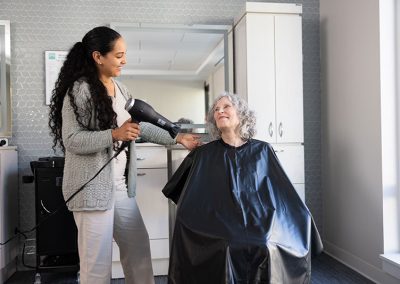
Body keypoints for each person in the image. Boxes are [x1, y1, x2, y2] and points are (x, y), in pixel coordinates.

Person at [48, 26, 200, 284]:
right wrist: (114, 135)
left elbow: (141, 126)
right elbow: (72, 140)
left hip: (118, 187)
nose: (124, 61)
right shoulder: (79, 90)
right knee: (96, 267)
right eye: (118, 56)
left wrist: (177, 137)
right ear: (98, 57)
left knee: (139, 251)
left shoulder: (121, 90)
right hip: (91, 191)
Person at [162, 92, 323, 284]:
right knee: (226, 245)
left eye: (226, 106)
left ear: (241, 114)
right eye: (216, 109)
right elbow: (184, 195)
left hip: (259, 223)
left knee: (265, 243)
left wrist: (302, 214)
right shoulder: (204, 154)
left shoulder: (263, 150)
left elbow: (284, 196)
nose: (220, 110)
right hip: (217, 226)